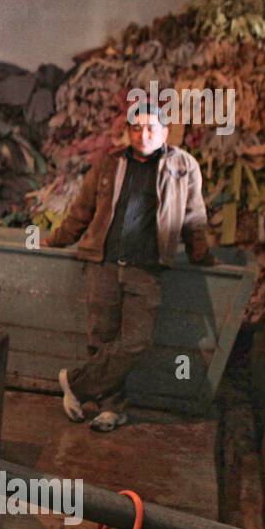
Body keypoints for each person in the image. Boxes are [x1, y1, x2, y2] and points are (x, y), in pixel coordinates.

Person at [41, 109, 215, 431]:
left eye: (150, 128)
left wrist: (201, 254)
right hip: (104, 263)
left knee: (137, 339)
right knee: (102, 339)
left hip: (145, 267)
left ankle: (75, 384)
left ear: (165, 132)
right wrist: (55, 240)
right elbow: (82, 210)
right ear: (128, 132)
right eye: (135, 128)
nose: (142, 134)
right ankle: (112, 409)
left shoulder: (183, 165)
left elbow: (194, 216)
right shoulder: (110, 163)